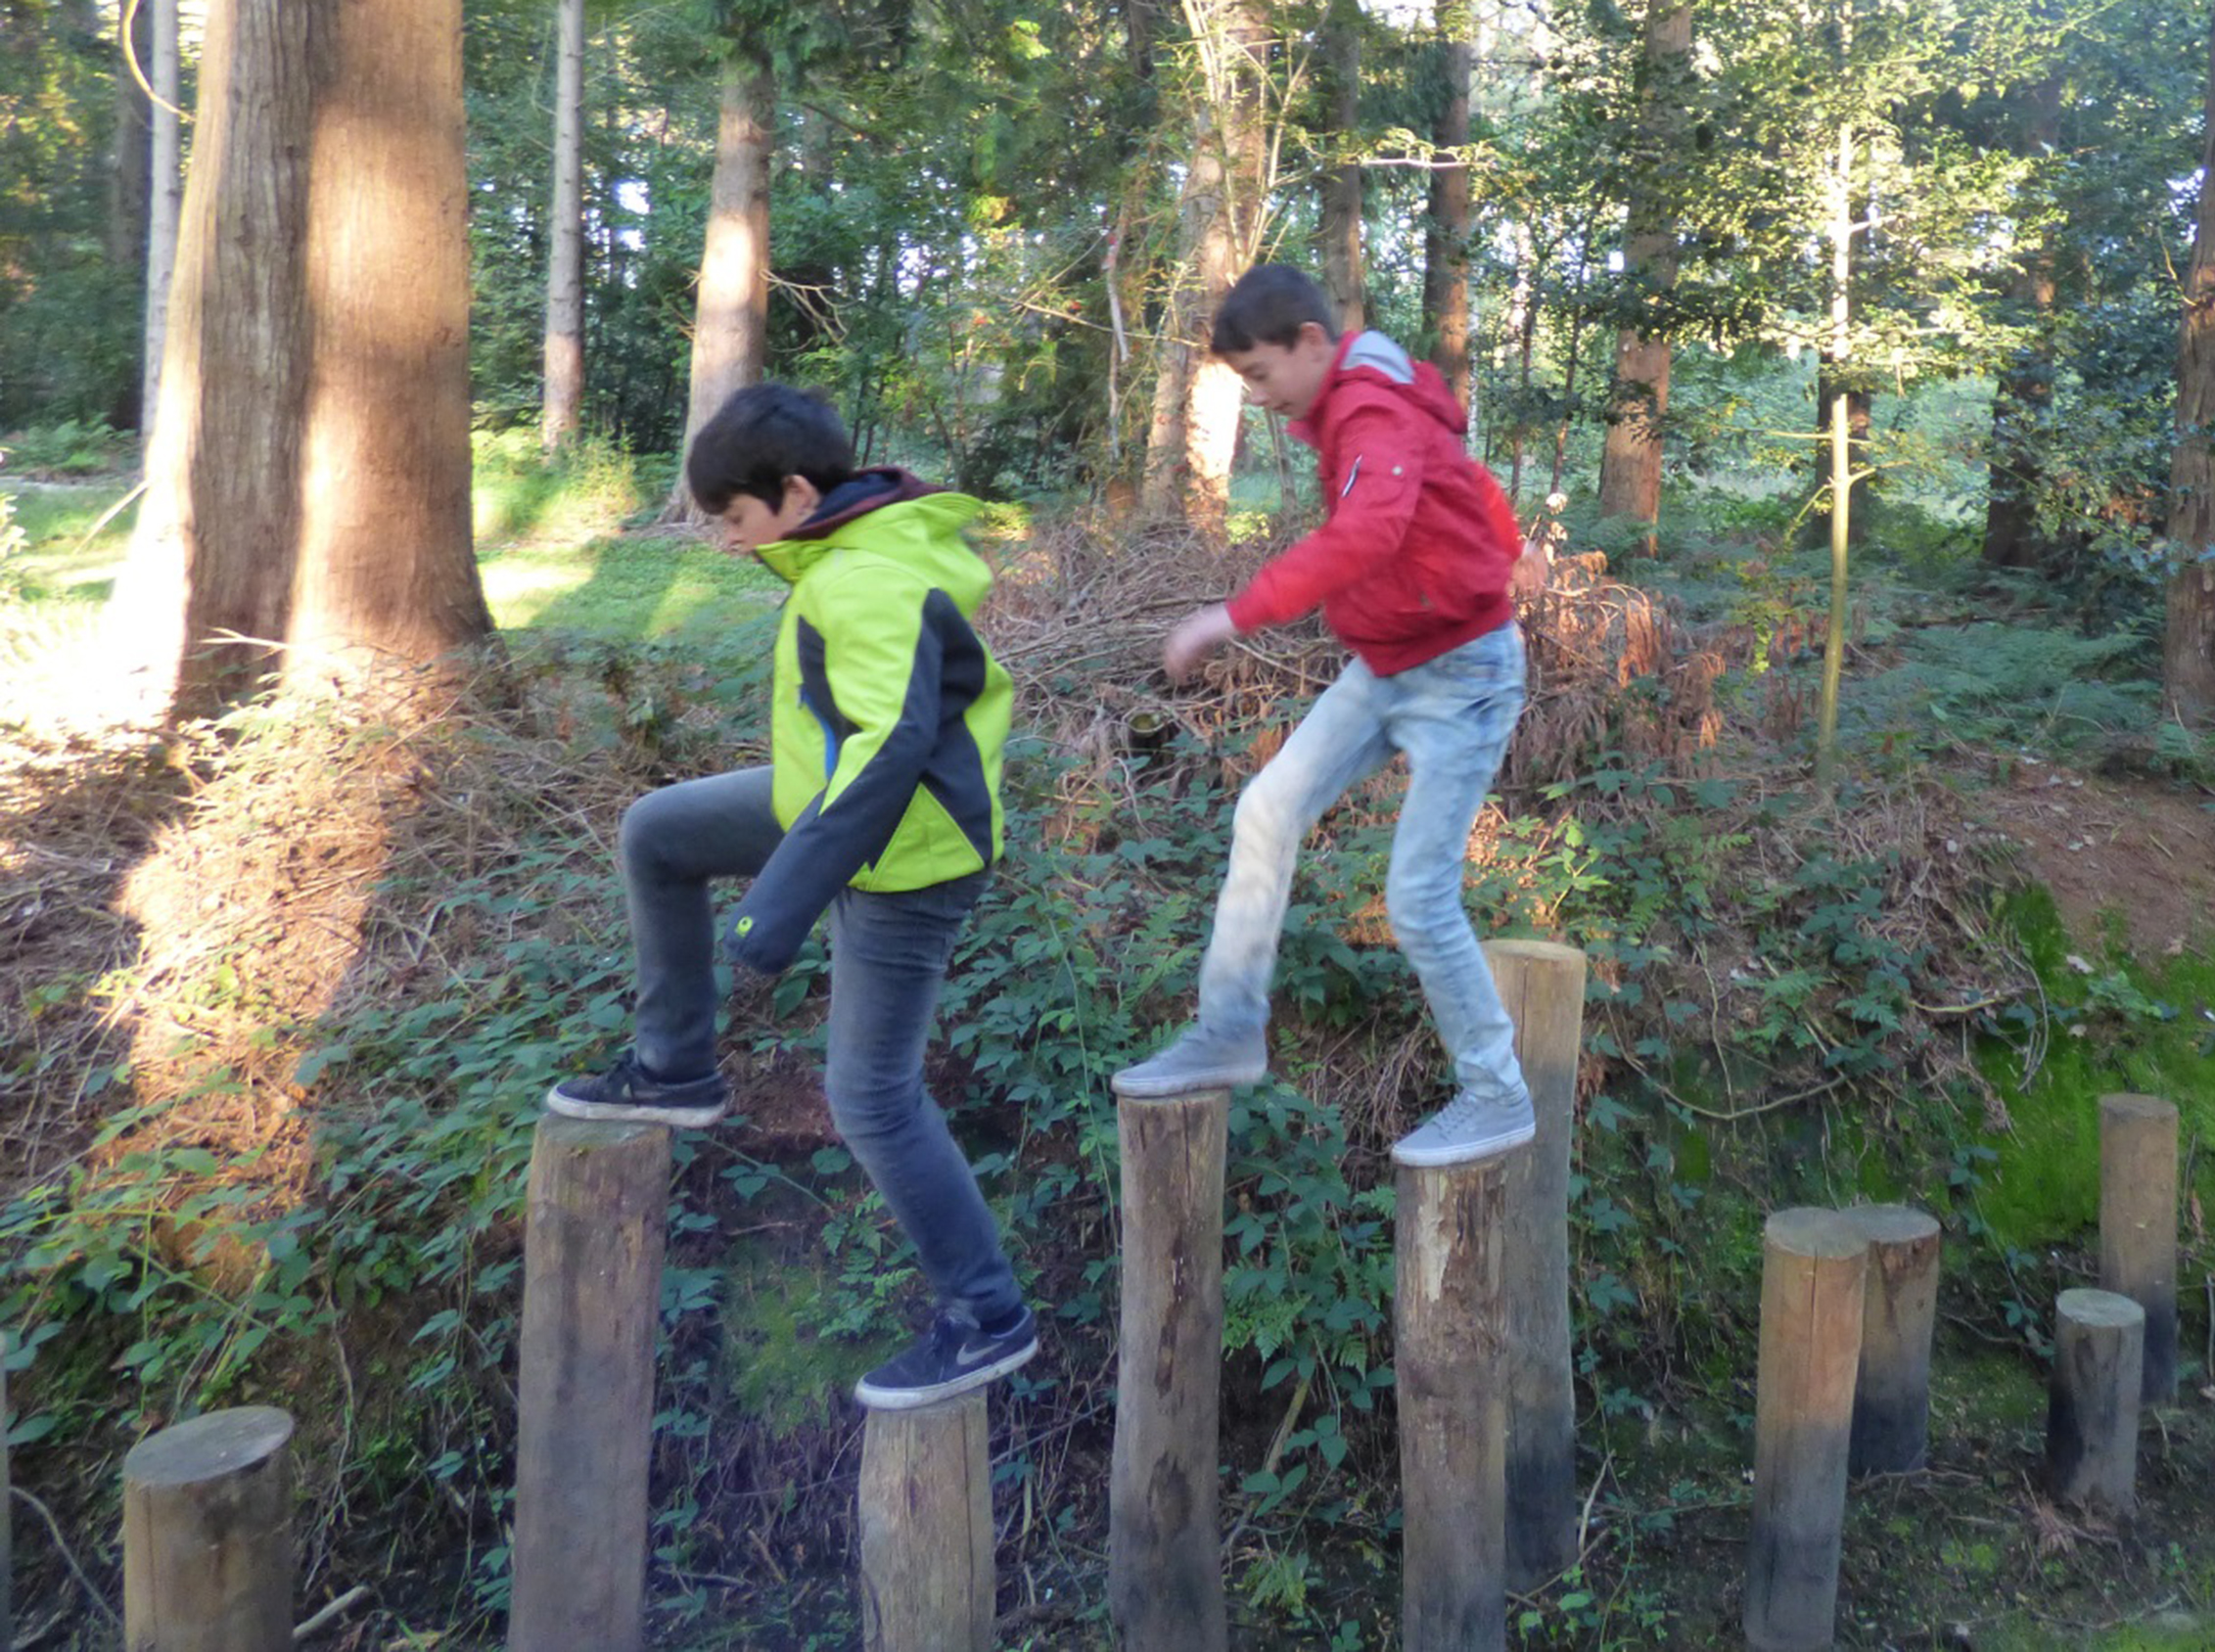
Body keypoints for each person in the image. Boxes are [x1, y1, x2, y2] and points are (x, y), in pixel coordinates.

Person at [545, 384, 1036, 1409]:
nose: (724, 541)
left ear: (799, 492)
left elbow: (892, 748)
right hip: (837, 808)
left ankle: (987, 1314)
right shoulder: (842, 555)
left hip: (911, 853)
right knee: (660, 831)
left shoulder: (864, 579)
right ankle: (674, 1068)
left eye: (733, 517)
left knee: (869, 1096)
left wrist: (780, 904)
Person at [1114, 263, 1534, 1169]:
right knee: (1266, 809)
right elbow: (1463, 482)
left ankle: (1498, 1094)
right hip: (1386, 666)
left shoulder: (1372, 410)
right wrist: (1509, 546)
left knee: (1418, 899)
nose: (1258, 399)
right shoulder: (1364, 407)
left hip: (1464, 677)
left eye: (1260, 376)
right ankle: (1228, 1033)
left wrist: (1231, 614)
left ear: (1311, 342)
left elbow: (1370, 531)